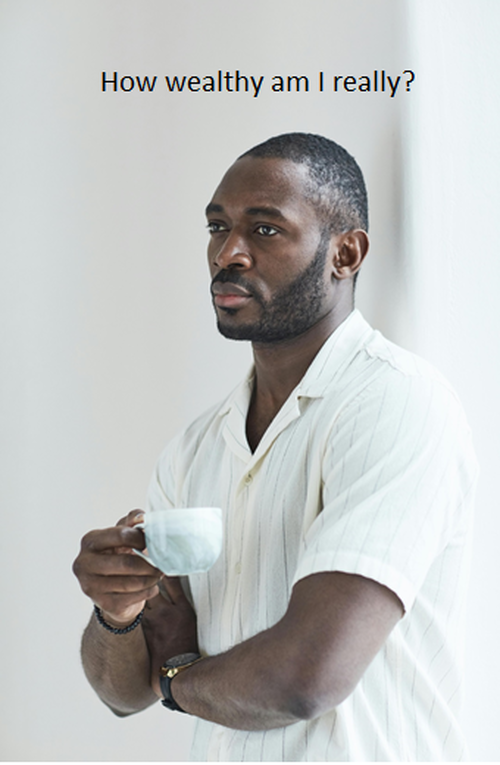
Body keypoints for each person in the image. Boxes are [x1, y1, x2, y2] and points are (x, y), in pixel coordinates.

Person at [73, 133, 478, 761]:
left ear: (346, 253)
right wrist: (116, 612)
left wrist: (176, 678)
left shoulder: (397, 404)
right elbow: (124, 692)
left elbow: (305, 679)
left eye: (264, 230)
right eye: (217, 227)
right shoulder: (194, 450)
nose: (226, 253)